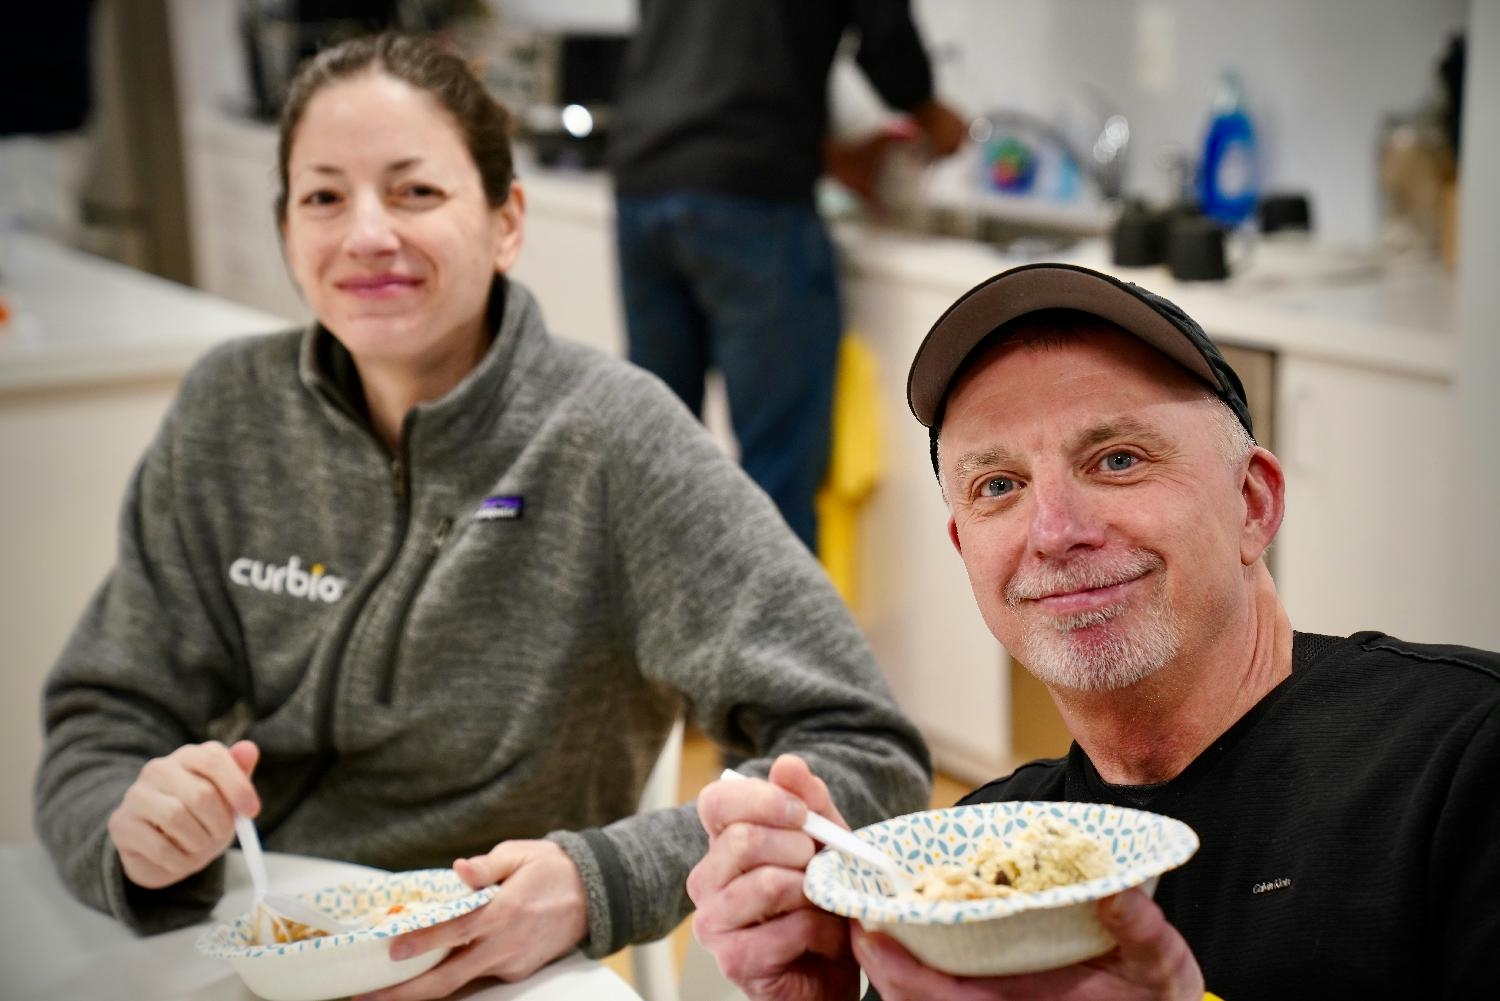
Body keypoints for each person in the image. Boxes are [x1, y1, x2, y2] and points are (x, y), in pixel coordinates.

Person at [32, 33, 931, 1001]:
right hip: (248, 940)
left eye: (415, 191)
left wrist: (600, 880)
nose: (366, 233)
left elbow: (865, 750)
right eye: (323, 195)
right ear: (288, 228)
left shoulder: (610, 437)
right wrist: (131, 831)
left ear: (507, 220)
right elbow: (102, 719)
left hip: (498, 969)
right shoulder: (228, 411)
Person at [686, 262, 1500, 1000]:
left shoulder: (1462, 760)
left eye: (1116, 459)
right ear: (967, 549)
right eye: (999, 484)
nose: (1054, 529)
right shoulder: (984, 862)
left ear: (1253, 504)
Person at [609, 0, 967, 552]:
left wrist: (818, 151)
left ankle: (650, 637)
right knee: (777, 475)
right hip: (754, 201)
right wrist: (930, 113)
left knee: (656, 454)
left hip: (646, 178)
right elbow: (886, 37)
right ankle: (774, 638)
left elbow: (706, 53)